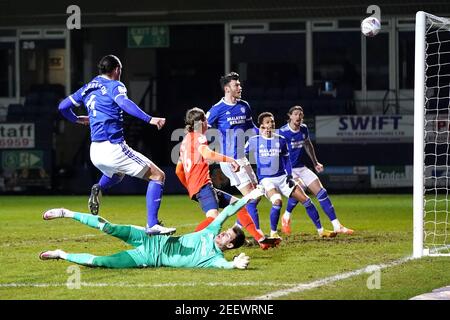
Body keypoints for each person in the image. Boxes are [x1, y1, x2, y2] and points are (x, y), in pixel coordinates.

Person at [58, 54, 175, 235]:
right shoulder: (115, 85)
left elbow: (63, 107)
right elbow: (124, 102)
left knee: (118, 174)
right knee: (158, 176)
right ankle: (152, 224)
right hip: (113, 147)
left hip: (95, 151)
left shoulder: (88, 87)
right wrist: (149, 119)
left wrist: (77, 120)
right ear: (117, 70)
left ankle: (99, 187)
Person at [38, 189, 266, 269]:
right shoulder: (209, 232)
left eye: (226, 235)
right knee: (108, 227)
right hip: (151, 239)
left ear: (228, 245)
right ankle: (66, 213)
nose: (222, 232)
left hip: (146, 257)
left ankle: (61, 254)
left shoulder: (213, 258)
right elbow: (227, 212)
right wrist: (249, 197)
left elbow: (224, 266)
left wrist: (234, 265)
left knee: (99, 262)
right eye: (225, 231)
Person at [175, 107, 280, 250]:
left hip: (200, 186)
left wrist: (189, 188)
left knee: (239, 205)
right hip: (202, 186)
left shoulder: (185, 140)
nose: (208, 123)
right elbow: (207, 154)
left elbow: (178, 170)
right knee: (214, 219)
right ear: (200, 122)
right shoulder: (199, 136)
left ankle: (260, 239)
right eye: (205, 120)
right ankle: (186, 246)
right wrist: (230, 160)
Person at [245, 112, 336, 238]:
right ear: (261, 125)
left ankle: (321, 230)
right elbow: (241, 156)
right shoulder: (254, 141)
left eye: (272, 121)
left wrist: (289, 175)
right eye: (268, 122)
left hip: (283, 177)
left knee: (306, 200)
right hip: (266, 180)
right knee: (277, 201)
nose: (271, 124)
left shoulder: (281, 140)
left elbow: (286, 159)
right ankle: (274, 233)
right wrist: (246, 172)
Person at [278, 106, 354, 236]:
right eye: (295, 114)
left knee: (322, 192)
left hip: (301, 167)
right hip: (288, 169)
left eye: (301, 114)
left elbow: (307, 144)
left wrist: (315, 162)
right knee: (300, 189)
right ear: (290, 116)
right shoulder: (282, 132)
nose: (298, 117)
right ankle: (286, 216)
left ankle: (337, 226)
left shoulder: (304, 129)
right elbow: (276, 153)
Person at [206, 72, 263, 234]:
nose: (240, 87)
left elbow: (251, 128)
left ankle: (237, 229)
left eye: (239, 84)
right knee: (252, 196)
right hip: (230, 161)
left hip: (242, 158)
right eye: (236, 85)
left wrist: (267, 136)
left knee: (256, 195)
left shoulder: (244, 105)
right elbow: (200, 130)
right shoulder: (217, 109)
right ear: (227, 89)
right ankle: (257, 234)